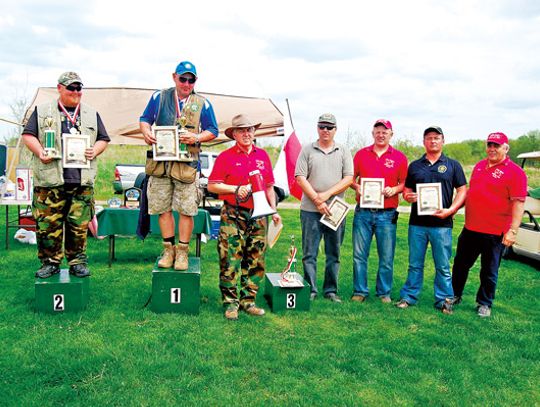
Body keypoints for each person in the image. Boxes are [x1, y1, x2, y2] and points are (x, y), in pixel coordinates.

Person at [21, 72, 110, 278]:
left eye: (79, 88)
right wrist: (40, 151)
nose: (76, 92)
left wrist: (95, 150)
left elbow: (103, 139)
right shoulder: (42, 111)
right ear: (59, 88)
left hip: (81, 181)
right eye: (71, 88)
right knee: (48, 227)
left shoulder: (90, 113)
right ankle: (50, 263)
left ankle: (77, 262)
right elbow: (28, 135)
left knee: (78, 226)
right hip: (50, 181)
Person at [140, 61, 218, 270]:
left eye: (190, 79)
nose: (186, 83)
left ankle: (182, 252)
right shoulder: (159, 97)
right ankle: (168, 250)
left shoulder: (203, 103)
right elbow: (145, 119)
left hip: (187, 166)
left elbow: (213, 130)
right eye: (183, 78)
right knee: (162, 209)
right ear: (174, 77)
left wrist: (196, 137)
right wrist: (146, 131)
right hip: (160, 164)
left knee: (186, 210)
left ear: (195, 81)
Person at [208, 114, 281, 320]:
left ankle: (248, 301)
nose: (247, 134)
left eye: (249, 130)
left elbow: (268, 187)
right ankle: (230, 303)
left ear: (254, 132)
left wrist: (273, 210)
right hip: (233, 213)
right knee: (230, 259)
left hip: (258, 216)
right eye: (242, 130)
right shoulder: (225, 156)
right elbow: (213, 185)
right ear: (235, 134)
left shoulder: (263, 156)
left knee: (256, 259)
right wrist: (235, 188)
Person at [451, 132, 527, 317]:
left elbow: (518, 203)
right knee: (460, 264)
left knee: (489, 270)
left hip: (494, 232)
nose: (492, 149)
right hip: (470, 228)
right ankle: (454, 294)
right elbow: (471, 193)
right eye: (490, 145)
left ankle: (484, 303)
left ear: (506, 148)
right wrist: (453, 209)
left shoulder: (516, 172)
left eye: (497, 146)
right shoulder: (479, 166)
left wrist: (513, 231)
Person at [396, 126, 467, 314]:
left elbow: (462, 190)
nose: (433, 141)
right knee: (414, 264)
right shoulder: (415, 165)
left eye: (436, 138)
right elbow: (407, 190)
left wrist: (451, 210)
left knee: (443, 265)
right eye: (429, 138)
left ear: (443, 140)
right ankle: (409, 296)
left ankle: (444, 300)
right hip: (417, 224)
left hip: (442, 224)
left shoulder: (453, 165)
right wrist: (407, 196)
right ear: (424, 142)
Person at [295, 113, 353, 302]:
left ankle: (330, 290)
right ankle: (310, 289)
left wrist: (326, 196)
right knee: (309, 252)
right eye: (322, 127)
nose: (325, 130)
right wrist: (317, 200)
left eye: (329, 127)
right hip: (310, 210)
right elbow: (300, 177)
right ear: (317, 128)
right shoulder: (307, 150)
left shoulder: (343, 150)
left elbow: (348, 179)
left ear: (336, 130)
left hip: (336, 209)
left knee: (333, 252)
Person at [350, 119, 408, 303]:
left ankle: (384, 292)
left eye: (385, 131)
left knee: (386, 256)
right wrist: (356, 187)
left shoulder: (399, 157)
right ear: (373, 133)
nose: (381, 135)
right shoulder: (361, 154)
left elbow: (405, 183)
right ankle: (360, 291)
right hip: (363, 212)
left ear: (391, 134)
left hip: (387, 213)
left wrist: (395, 190)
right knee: (359, 255)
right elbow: (350, 178)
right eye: (378, 131)